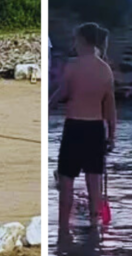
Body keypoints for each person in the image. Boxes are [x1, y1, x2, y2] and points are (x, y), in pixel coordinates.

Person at [49, 23, 117, 240]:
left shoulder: (73, 66)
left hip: (74, 128)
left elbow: (63, 92)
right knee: (94, 184)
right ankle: (95, 228)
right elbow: (110, 108)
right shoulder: (105, 70)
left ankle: (63, 231)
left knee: (66, 182)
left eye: (75, 40)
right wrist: (112, 136)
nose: (73, 44)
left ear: (82, 41)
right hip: (95, 129)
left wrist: (48, 105)